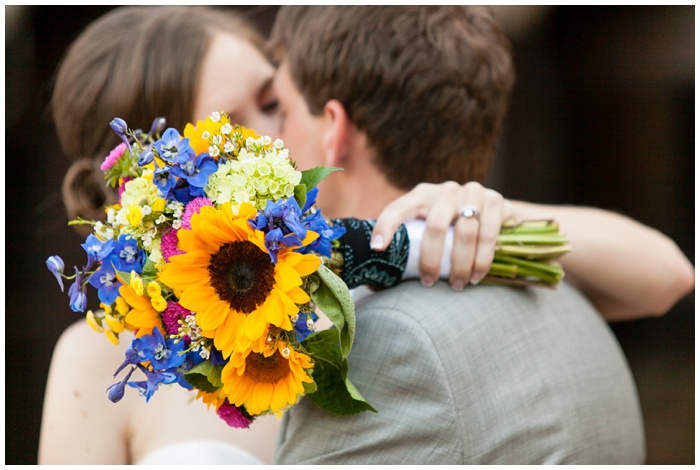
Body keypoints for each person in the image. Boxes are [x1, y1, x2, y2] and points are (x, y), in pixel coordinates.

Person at [38, 6, 513, 465]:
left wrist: (498, 212)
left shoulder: (361, 295)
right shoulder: (94, 364)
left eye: (273, 104)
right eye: (235, 130)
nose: (275, 141)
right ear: (169, 185)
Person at [267, 5, 695, 464]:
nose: (273, 137)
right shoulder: (563, 290)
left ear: (334, 127)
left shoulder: (388, 344)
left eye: (281, 110)